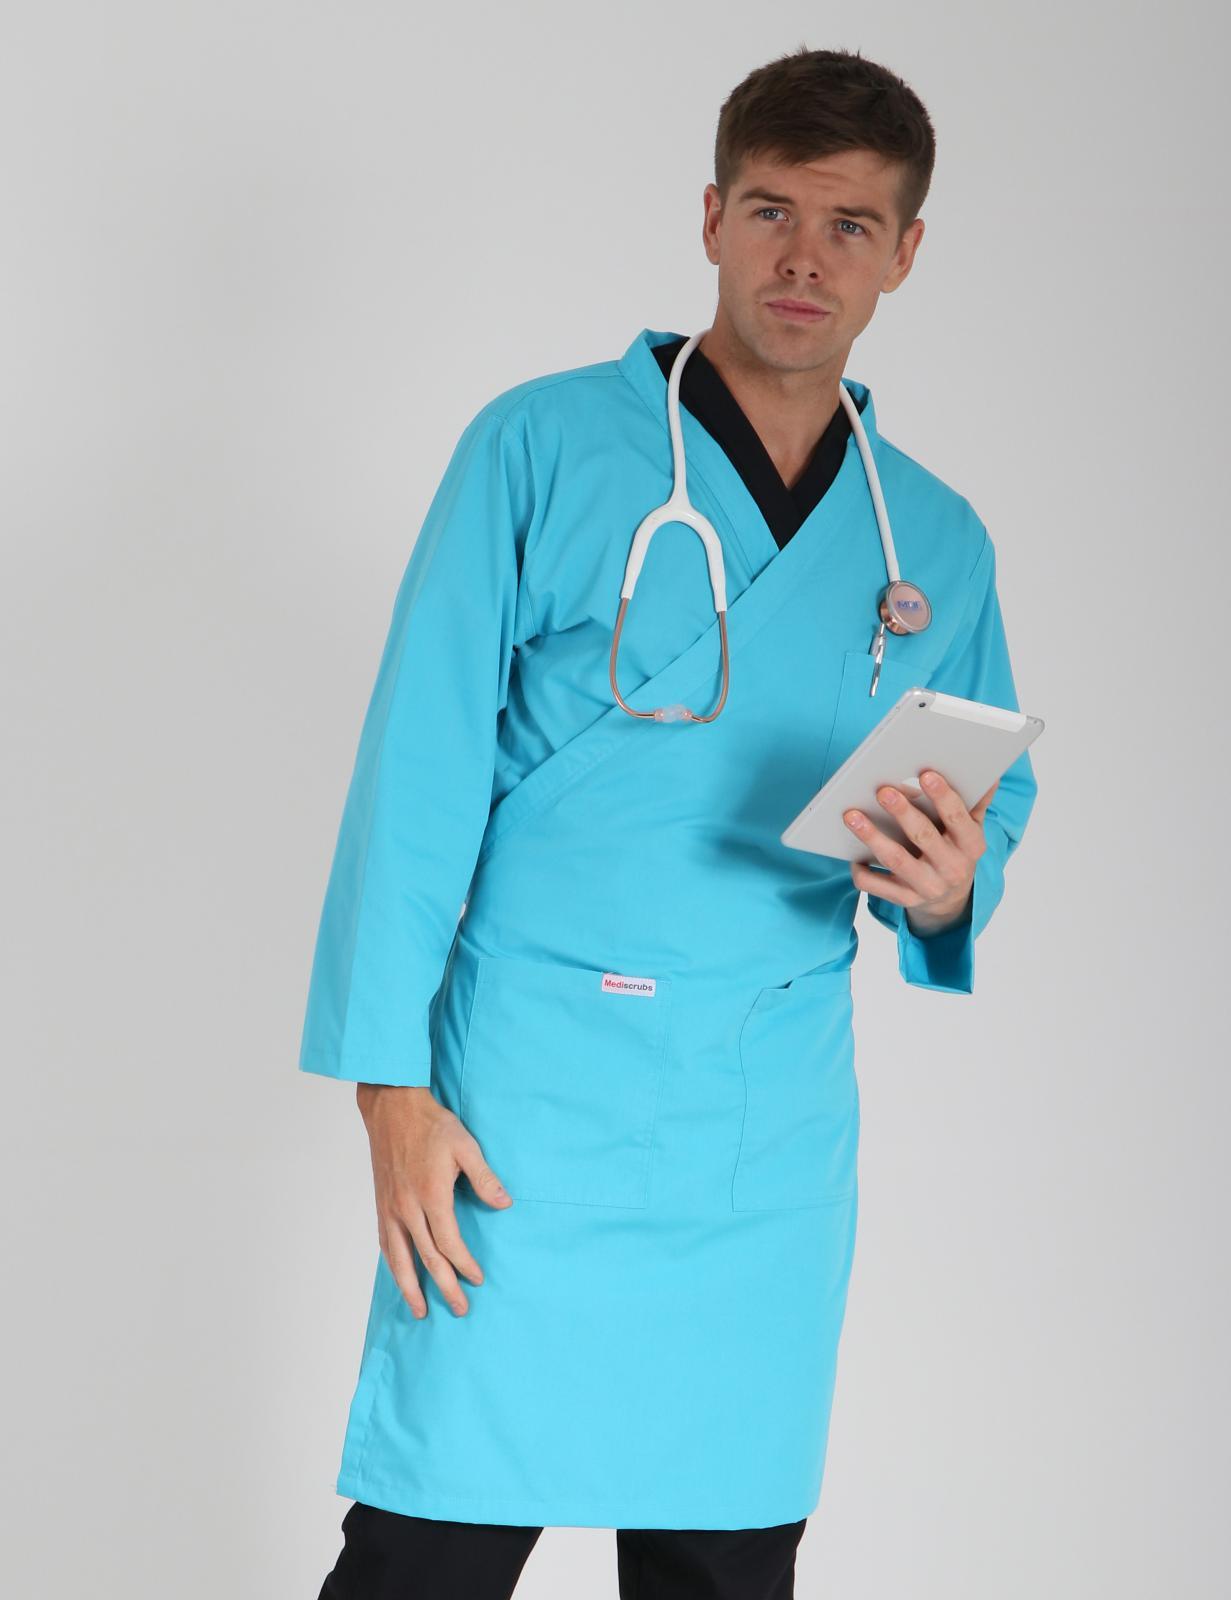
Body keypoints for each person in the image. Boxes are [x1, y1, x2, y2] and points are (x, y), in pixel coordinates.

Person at [300, 43, 1039, 1600]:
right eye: (771, 211)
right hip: (519, 1108)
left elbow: (980, 804)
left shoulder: (936, 538)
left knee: (722, 1563)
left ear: (906, 252)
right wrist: (388, 1091)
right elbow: (414, 779)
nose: (803, 259)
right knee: (424, 1555)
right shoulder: (537, 447)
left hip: (759, 1136)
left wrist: (946, 887)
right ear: (710, 218)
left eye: (849, 225)